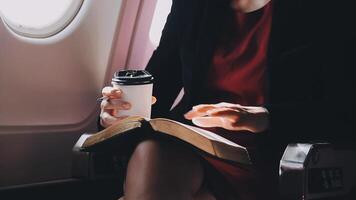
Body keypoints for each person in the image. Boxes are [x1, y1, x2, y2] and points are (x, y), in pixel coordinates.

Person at [99, 0, 356, 199]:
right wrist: (118, 114)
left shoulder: (329, 8)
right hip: (198, 147)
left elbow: (343, 110)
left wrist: (264, 117)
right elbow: (157, 90)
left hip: (278, 156)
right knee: (152, 151)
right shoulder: (194, 5)